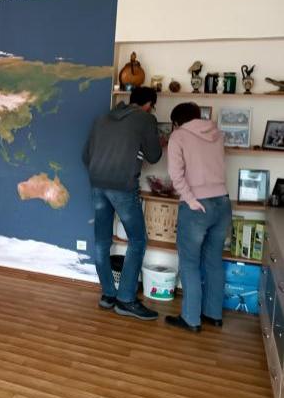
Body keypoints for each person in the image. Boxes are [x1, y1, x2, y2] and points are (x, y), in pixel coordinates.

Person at [82, 86, 162, 321]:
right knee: (137, 240)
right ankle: (126, 299)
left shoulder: (102, 118)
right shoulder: (145, 119)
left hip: (97, 184)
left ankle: (108, 295)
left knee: (102, 241)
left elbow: (85, 156)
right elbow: (154, 155)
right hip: (122, 187)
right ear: (148, 104)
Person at [166, 102, 231, 332]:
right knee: (214, 260)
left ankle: (191, 318)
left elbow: (175, 174)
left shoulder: (178, 136)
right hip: (223, 202)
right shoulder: (217, 133)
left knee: (189, 262)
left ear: (177, 122)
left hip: (197, 205)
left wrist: (190, 199)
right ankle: (213, 314)